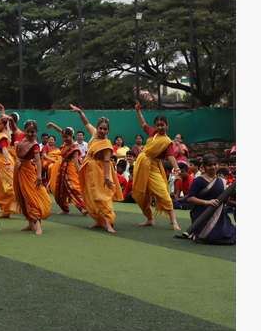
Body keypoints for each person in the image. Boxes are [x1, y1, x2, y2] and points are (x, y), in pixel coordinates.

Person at [71, 105, 123, 233]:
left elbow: (106, 161)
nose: (102, 131)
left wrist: (106, 177)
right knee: (90, 195)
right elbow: (87, 123)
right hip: (89, 170)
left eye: (105, 129)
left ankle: (108, 223)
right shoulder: (94, 134)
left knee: (101, 196)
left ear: (108, 130)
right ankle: (98, 221)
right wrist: (80, 113)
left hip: (100, 172)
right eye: (101, 128)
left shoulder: (107, 144)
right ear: (98, 128)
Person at [131, 101, 181, 230]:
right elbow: (143, 124)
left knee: (163, 193)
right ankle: (149, 219)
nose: (160, 127)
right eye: (158, 125)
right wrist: (138, 111)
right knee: (140, 194)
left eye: (162, 125)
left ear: (167, 125)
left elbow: (170, 156)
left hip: (153, 168)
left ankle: (174, 221)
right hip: (141, 164)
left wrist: (176, 168)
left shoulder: (167, 142)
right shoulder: (153, 133)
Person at [181, 154, 235, 245]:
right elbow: (190, 198)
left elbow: (225, 200)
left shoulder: (222, 181)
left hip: (219, 215)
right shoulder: (198, 180)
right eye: (210, 165)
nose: (213, 167)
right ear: (204, 167)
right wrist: (207, 202)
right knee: (212, 238)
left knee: (229, 235)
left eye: (215, 164)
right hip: (202, 214)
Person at [13, 120, 52, 235]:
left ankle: (38, 225)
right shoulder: (22, 139)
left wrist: (39, 176)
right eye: (29, 131)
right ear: (25, 131)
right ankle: (30, 223)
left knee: (31, 196)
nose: (31, 134)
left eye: (33, 132)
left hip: (28, 172)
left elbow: (38, 160)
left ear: (36, 132)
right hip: (19, 171)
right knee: (23, 196)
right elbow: (14, 128)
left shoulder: (34, 145)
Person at [45, 123, 87, 215]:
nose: (64, 139)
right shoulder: (65, 141)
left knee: (73, 188)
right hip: (61, 169)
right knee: (59, 189)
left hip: (70, 169)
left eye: (66, 137)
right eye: (63, 137)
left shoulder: (74, 147)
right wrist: (52, 125)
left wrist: (80, 173)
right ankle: (65, 209)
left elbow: (76, 162)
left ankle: (83, 207)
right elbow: (60, 130)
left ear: (71, 136)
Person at [0, 115, 18, 218]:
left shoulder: (2, 137)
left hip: (4, 162)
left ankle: (20, 205)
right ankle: (6, 210)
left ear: (4, 125)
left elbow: (5, 150)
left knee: (9, 187)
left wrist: (8, 163)